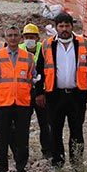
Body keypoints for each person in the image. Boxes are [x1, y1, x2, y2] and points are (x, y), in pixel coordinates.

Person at [35, 12, 87, 168]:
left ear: (72, 26)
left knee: (77, 130)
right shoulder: (47, 45)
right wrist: (39, 93)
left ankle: (77, 163)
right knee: (55, 130)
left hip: (77, 95)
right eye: (61, 26)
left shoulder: (83, 44)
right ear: (56, 27)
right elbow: (39, 71)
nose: (64, 29)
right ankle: (58, 162)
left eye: (67, 26)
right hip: (54, 95)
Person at [0, 25, 38, 172]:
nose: (13, 38)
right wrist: (2, 89)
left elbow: (33, 78)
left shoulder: (28, 57)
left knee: (23, 139)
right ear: (5, 38)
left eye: (16, 35)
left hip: (22, 103)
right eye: (10, 35)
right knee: (2, 140)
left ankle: (20, 171)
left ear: (20, 38)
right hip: (3, 103)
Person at [21, 23, 53, 161]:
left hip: (41, 91)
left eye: (32, 37)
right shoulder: (20, 50)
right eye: (27, 37)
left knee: (45, 123)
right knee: (23, 124)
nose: (29, 39)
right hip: (25, 92)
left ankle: (47, 151)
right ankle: (23, 152)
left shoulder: (44, 49)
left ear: (37, 37)